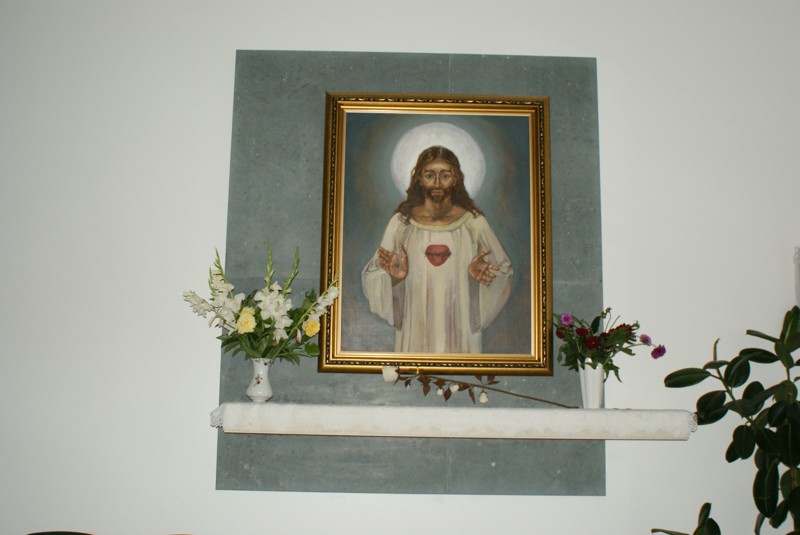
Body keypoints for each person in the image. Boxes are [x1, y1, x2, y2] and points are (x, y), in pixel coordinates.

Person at [362, 145, 513, 353]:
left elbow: (503, 271)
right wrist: (395, 279)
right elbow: (372, 276)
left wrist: (476, 279)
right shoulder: (401, 224)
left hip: (461, 329)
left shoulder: (474, 224)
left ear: (455, 179)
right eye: (430, 175)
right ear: (419, 179)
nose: (437, 183)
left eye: (445, 175)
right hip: (415, 327)